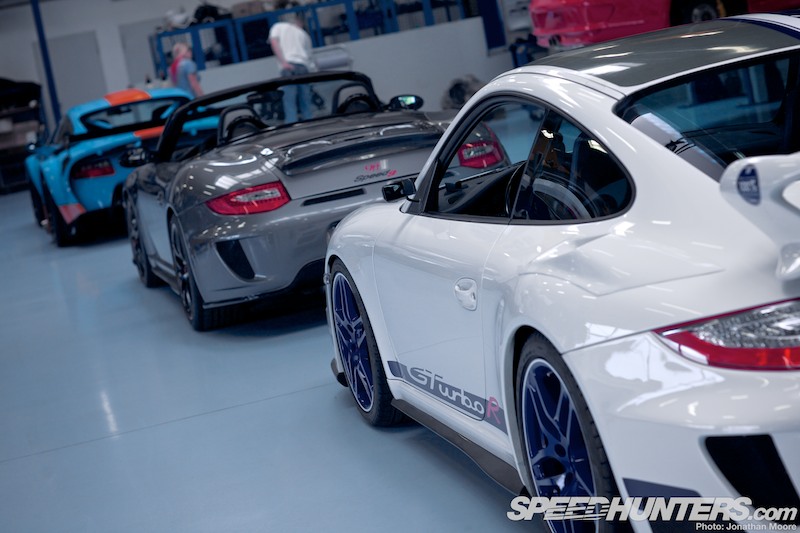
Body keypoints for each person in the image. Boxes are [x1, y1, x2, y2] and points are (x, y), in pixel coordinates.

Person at [268, 9, 315, 123]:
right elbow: (309, 56)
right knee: (306, 102)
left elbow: (274, 42)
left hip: (288, 67)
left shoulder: (278, 27)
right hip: (303, 67)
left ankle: (292, 126)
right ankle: (311, 126)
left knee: (289, 102)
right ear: (301, 22)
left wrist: (284, 62)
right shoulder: (303, 34)